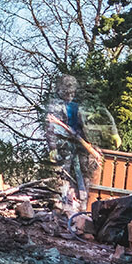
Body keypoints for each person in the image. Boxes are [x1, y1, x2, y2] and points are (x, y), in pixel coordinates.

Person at [41, 74, 95, 206]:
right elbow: (51, 127)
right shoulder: (55, 106)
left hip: (80, 144)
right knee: (64, 173)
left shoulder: (77, 106)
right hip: (64, 144)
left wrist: (87, 140)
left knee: (84, 174)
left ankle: (83, 202)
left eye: (72, 90)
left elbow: (85, 126)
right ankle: (63, 201)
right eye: (67, 90)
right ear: (61, 90)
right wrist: (53, 148)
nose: (70, 93)